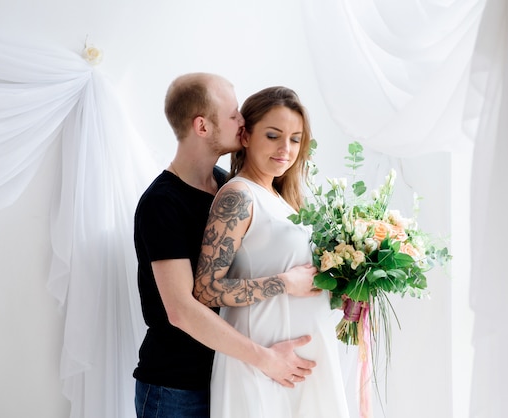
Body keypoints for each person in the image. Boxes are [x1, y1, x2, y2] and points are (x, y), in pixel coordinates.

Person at [133, 73, 322, 418]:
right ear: (202, 126)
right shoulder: (162, 203)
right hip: (177, 386)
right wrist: (266, 358)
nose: (242, 120)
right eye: (234, 114)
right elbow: (182, 311)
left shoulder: (227, 184)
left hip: (231, 373)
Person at [194, 86, 351, 417]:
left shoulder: (285, 201)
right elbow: (205, 290)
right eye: (273, 135)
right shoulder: (238, 196)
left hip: (301, 365)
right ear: (246, 136)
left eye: (295, 139)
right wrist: (283, 283)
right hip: (260, 366)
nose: (286, 148)